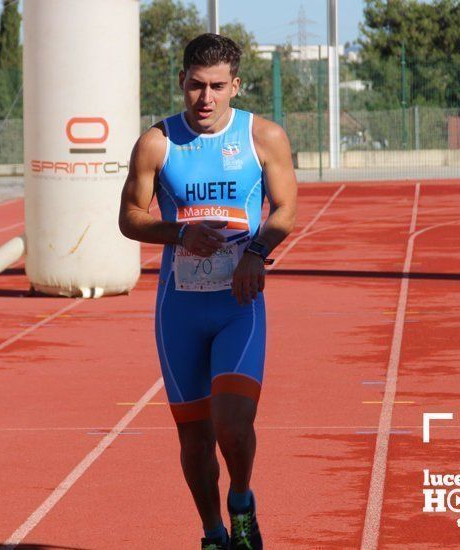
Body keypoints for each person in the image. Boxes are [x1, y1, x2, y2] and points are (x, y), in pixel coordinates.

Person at [119, 34, 297, 550]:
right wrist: (178, 233)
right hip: (180, 310)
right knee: (194, 438)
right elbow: (130, 218)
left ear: (235, 86)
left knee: (234, 428)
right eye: (196, 85)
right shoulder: (157, 142)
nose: (206, 98)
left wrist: (255, 253)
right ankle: (213, 533)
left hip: (238, 304)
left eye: (218, 86)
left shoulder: (264, 137)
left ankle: (241, 500)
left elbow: (286, 210)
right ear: (181, 81)